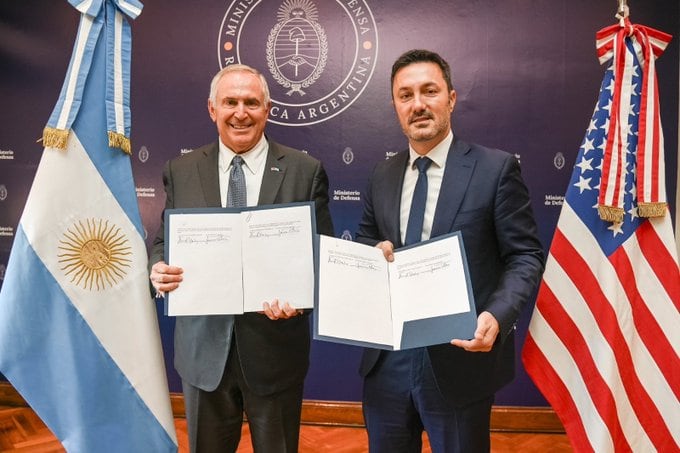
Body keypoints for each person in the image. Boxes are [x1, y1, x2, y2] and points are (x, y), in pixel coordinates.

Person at [355, 49, 545, 452]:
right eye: (405, 95)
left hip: (460, 358)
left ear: (452, 98)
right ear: (395, 106)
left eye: (429, 91)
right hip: (387, 360)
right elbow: (368, 239)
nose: (418, 104)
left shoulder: (495, 169)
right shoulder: (381, 174)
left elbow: (524, 255)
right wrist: (375, 250)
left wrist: (497, 314)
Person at [148, 64, 334, 453]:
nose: (240, 112)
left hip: (275, 351)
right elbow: (165, 241)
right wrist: (158, 268)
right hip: (203, 354)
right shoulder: (180, 170)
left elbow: (322, 257)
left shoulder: (305, 170)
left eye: (251, 102)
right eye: (229, 102)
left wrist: (300, 301)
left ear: (267, 109)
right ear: (212, 109)